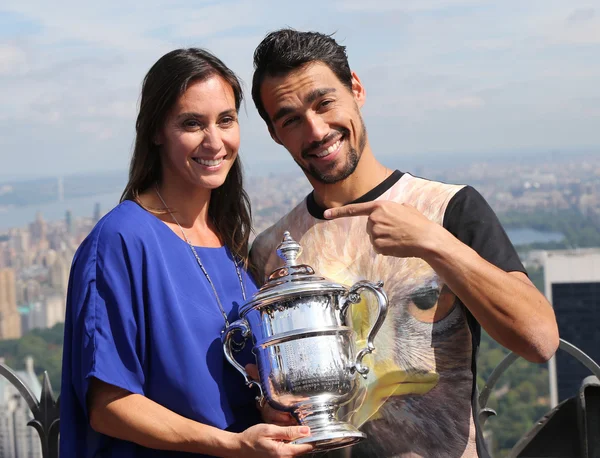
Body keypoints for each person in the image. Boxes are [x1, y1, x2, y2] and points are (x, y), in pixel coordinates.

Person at [249, 30, 559, 457]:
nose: (316, 130)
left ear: (355, 89)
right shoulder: (270, 251)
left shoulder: (449, 208)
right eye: (290, 119)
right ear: (274, 134)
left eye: (324, 103)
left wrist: (434, 243)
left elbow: (539, 339)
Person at [59, 48, 314, 458]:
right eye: (192, 124)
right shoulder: (122, 240)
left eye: (226, 120)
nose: (214, 141)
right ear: (156, 131)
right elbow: (108, 405)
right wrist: (231, 444)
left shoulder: (228, 239)